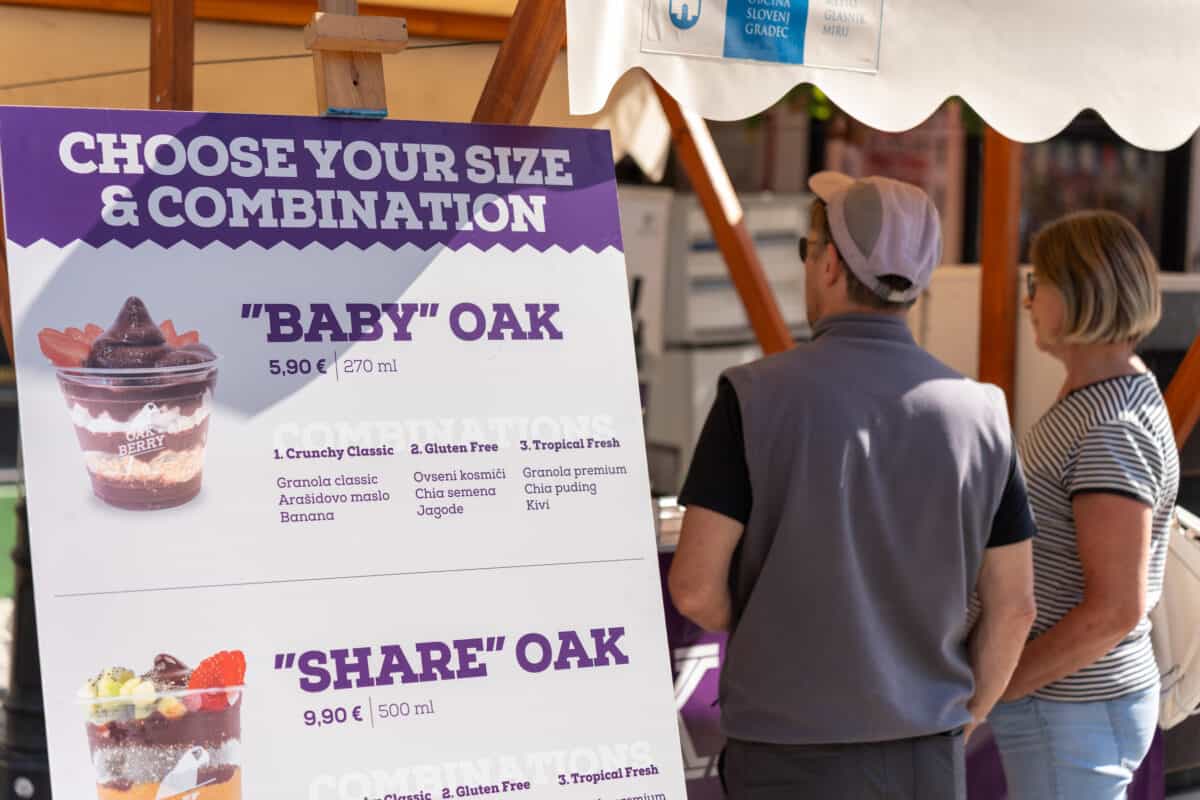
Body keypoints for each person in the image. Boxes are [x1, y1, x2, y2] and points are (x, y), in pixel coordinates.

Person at [668, 172, 1038, 800]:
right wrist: (962, 718)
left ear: (831, 264)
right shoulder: (984, 413)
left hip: (789, 757)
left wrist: (772, 627)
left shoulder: (753, 396)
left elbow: (694, 586)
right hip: (926, 754)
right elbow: (1015, 606)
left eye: (806, 250)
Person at [989, 210, 1180, 800]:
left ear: (1080, 291)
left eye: (1037, 283)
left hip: (1072, 709)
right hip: (1071, 707)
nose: (1028, 301)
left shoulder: (1110, 427)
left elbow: (1114, 609)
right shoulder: (1103, 394)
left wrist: (1001, 684)